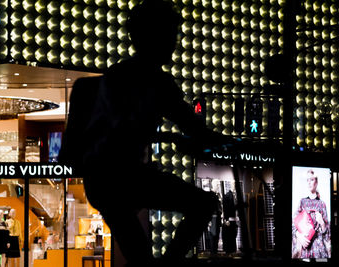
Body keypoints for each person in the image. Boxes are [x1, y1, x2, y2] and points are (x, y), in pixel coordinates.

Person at [59, 0, 240, 265]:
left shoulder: (112, 78)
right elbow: (193, 127)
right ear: (157, 36)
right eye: (171, 35)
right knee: (204, 204)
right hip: (128, 178)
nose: (174, 43)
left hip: (102, 183)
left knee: (137, 252)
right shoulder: (157, 82)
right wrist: (225, 142)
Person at [292, 169, 331, 259]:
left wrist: (322, 223)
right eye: (307, 180)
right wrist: (299, 236)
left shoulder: (322, 204)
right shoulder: (302, 202)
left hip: (319, 249)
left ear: (316, 182)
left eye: (312, 180)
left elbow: (327, 234)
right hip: (305, 245)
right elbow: (293, 223)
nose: (309, 183)